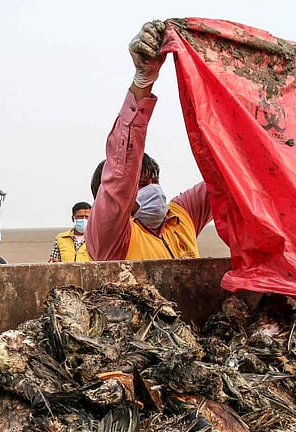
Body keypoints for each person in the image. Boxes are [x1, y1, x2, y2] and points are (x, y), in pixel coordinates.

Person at [85, 20, 224, 262]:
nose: (154, 191)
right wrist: (143, 83)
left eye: (154, 181)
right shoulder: (110, 238)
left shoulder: (181, 217)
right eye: (141, 185)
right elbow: (121, 172)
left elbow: (225, 176)